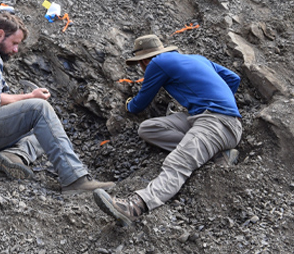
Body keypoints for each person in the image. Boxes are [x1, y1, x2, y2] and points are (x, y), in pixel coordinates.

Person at [0, 13, 113, 193]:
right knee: (39, 108)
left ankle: (13, 155)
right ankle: (75, 180)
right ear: (0, 35)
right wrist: (30, 97)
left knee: (47, 127)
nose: (16, 50)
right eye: (15, 43)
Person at [93, 34, 242, 224]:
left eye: (140, 64)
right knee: (148, 128)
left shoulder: (157, 63)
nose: (141, 68)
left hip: (216, 123)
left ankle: (134, 207)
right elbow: (233, 78)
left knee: (178, 162)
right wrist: (218, 99)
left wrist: (127, 105)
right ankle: (217, 154)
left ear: (145, 60)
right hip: (206, 118)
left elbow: (140, 104)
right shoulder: (197, 58)